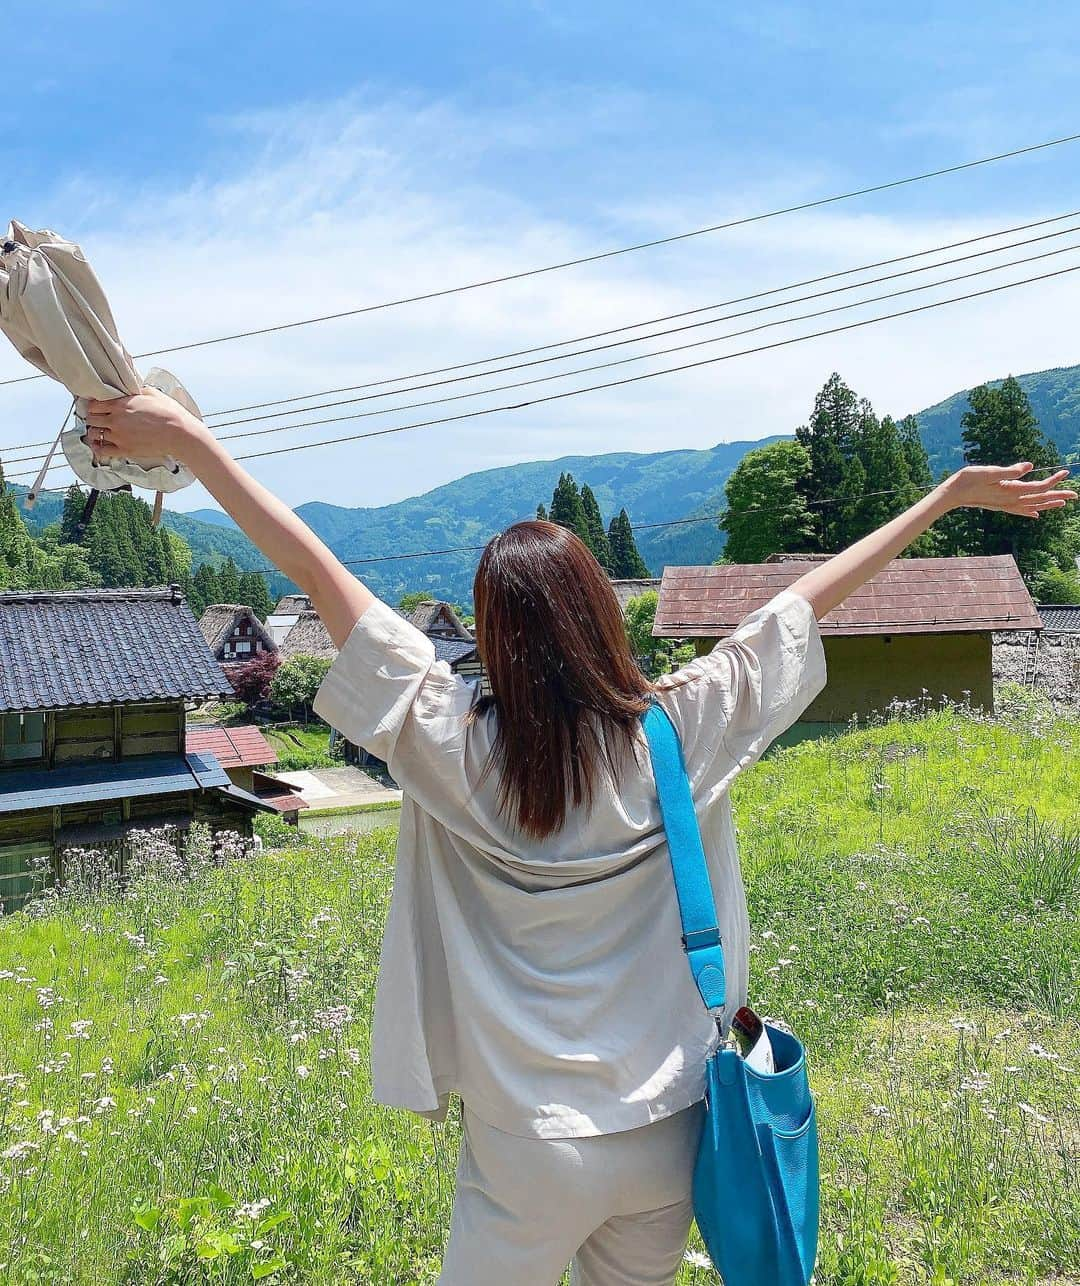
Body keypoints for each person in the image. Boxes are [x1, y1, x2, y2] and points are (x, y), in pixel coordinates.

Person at [84, 390, 1075, 1286]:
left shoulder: (454, 743)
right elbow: (803, 602)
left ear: (488, 634)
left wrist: (196, 445)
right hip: (670, 1126)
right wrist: (943, 495)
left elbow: (312, 565)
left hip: (527, 1142)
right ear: (600, 615)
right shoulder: (681, 728)